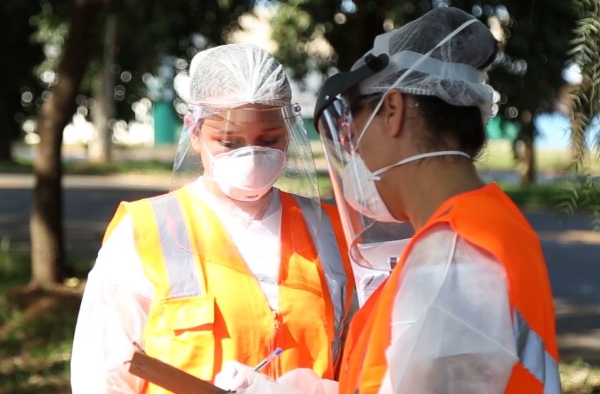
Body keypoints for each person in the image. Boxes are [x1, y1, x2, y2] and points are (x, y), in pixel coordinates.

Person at [215, 7, 560, 394]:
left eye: (352, 130)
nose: (353, 150)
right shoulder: (485, 227)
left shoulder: (452, 258)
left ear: (392, 111)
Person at [70, 43, 356, 394]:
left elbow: (361, 360)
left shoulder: (330, 230)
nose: (252, 156)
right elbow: (102, 375)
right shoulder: (144, 232)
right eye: (229, 142)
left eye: (270, 139)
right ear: (194, 130)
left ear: (290, 128)